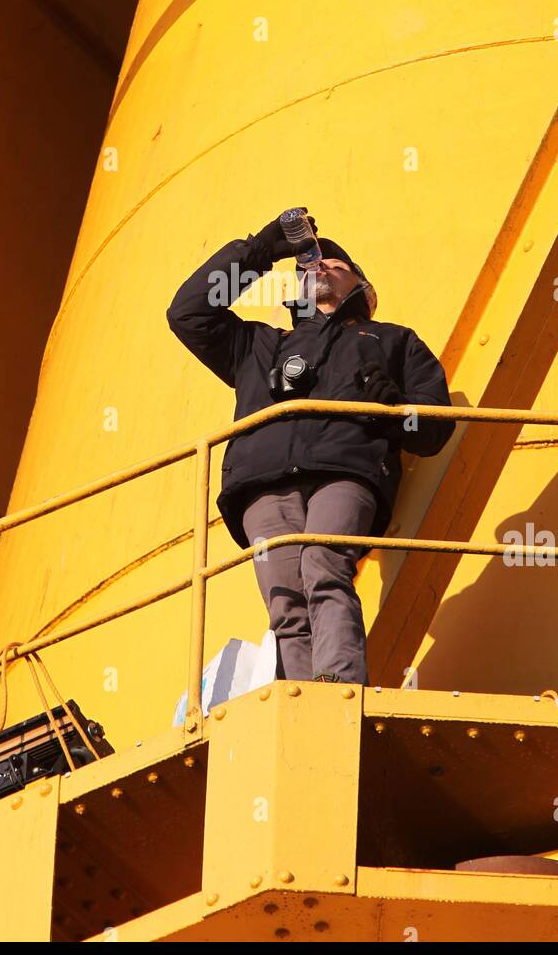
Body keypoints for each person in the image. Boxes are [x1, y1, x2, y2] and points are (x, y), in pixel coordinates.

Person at [166, 212, 456, 686]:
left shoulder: (392, 341)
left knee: (323, 564)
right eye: (305, 267)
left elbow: (432, 431)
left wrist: (394, 404)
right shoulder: (258, 346)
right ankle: (300, 702)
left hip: (344, 473)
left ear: (363, 287)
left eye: (334, 265)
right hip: (264, 485)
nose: (317, 269)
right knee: (285, 603)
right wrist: (262, 249)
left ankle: (337, 691)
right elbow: (188, 313)